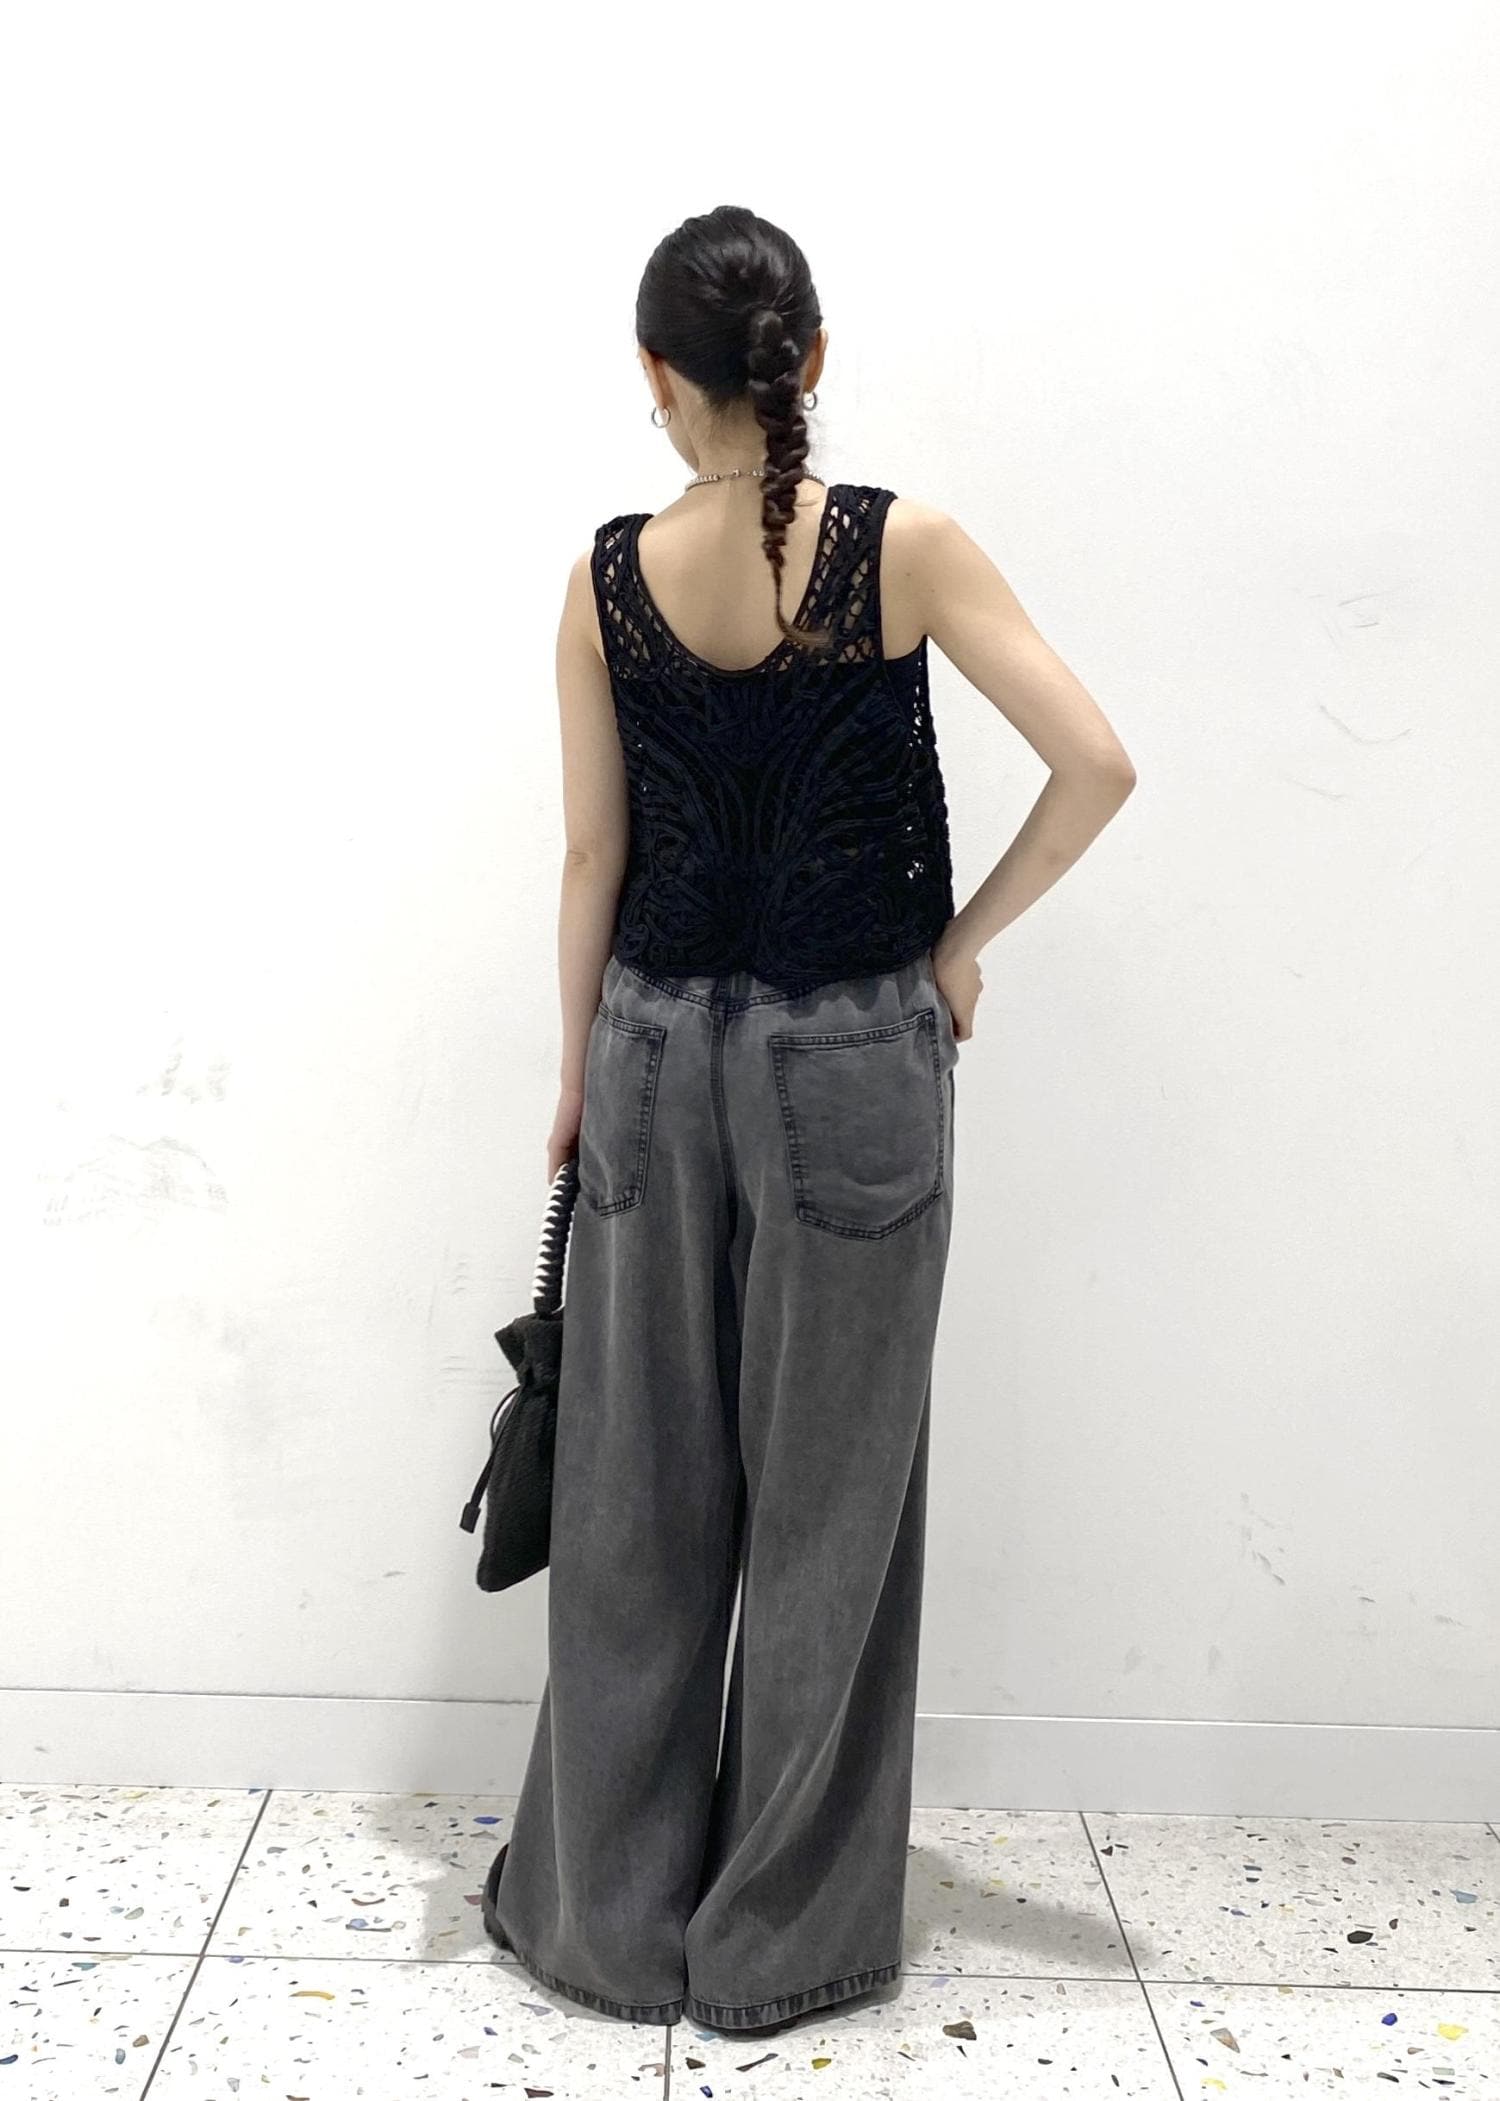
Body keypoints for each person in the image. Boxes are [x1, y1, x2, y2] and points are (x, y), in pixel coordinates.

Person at [481, 204, 1136, 2037]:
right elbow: (1098, 762)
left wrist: (574, 1072)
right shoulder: (900, 548)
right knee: (831, 1507)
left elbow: (594, 857)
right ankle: (778, 1944)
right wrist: (956, 948)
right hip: (851, 1060)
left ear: (654, 375)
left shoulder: (604, 580)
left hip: (646, 1049)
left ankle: (607, 1928)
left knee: (634, 1501)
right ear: (813, 362)